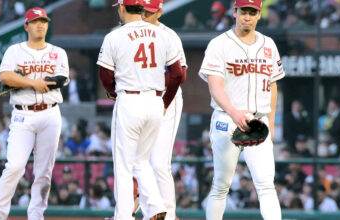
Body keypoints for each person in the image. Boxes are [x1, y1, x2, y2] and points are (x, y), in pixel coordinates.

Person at [198, 0, 285, 219]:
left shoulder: (269, 44)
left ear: (259, 14)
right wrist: (234, 112)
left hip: (259, 120)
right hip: (226, 119)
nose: (247, 16)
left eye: (252, 12)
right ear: (234, 12)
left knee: (266, 184)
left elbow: (273, 85)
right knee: (221, 184)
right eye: (243, 11)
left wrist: (272, 124)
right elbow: (214, 86)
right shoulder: (219, 44)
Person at [97, 0, 183, 219]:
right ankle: (155, 207)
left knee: (124, 165)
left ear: (123, 8)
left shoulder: (115, 36)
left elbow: (105, 77)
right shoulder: (163, 34)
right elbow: (178, 74)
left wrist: (114, 92)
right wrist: (165, 102)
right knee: (141, 161)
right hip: (155, 101)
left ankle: (123, 216)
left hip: (130, 100)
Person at [0, 7, 69, 220]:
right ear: (26, 26)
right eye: (35, 21)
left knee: (44, 172)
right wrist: (33, 82)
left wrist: (22, 81)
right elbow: (4, 76)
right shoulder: (14, 51)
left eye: (43, 21)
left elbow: (60, 79)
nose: (40, 24)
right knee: (14, 166)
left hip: (50, 114)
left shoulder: (58, 52)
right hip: (23, 115)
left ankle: (36, 215)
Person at [140, 0, 187, 219]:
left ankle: (169, 214)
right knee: (137, 161)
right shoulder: (130, 33)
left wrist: (165, 101)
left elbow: (181, 74)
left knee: (159, 162)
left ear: (159, 11)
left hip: (167, 98)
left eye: (149, 12)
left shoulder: (169, 36)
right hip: (140, 101)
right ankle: (139, 210)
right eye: (141, 11)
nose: (144, 16)